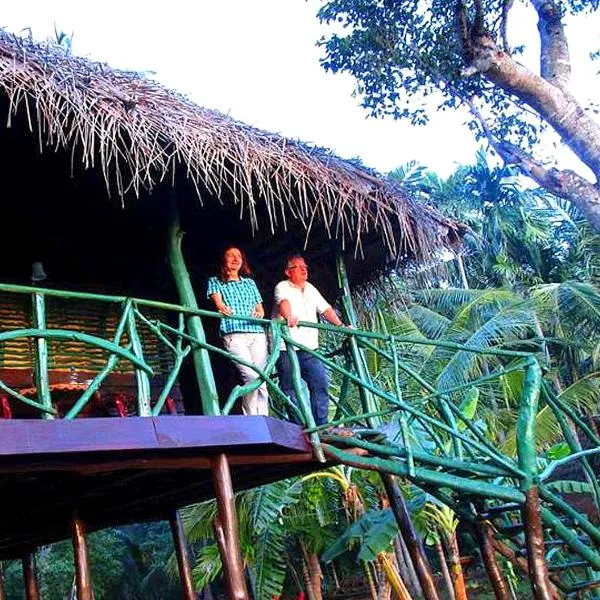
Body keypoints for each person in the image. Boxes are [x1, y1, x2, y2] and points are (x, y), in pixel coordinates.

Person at [273, 254, 346, 425]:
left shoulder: (311, 288)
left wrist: (341, 325)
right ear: (288, 272)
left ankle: (320, 426)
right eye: (299, 267)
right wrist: (289, 316)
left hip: (309, 348)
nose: (304, 269)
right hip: (286, 346)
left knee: (320, 384)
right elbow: (283, 302)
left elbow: (326, 309)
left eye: (305, 266)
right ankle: (300, 428)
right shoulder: (282, 286)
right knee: (290, 388)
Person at [207, 246, 269, 416]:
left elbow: (260, 309)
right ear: (223, 260)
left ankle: (263, 416)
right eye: (230, 256)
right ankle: (252, 417)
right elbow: (218, 303)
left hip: (256, 333)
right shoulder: (215, 281)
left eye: (239, 256)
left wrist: (259, 313)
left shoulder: (249, 283)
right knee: (251, 376)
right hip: (234, 333)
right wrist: (221, 307)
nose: (235, 259)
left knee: (262, 378)